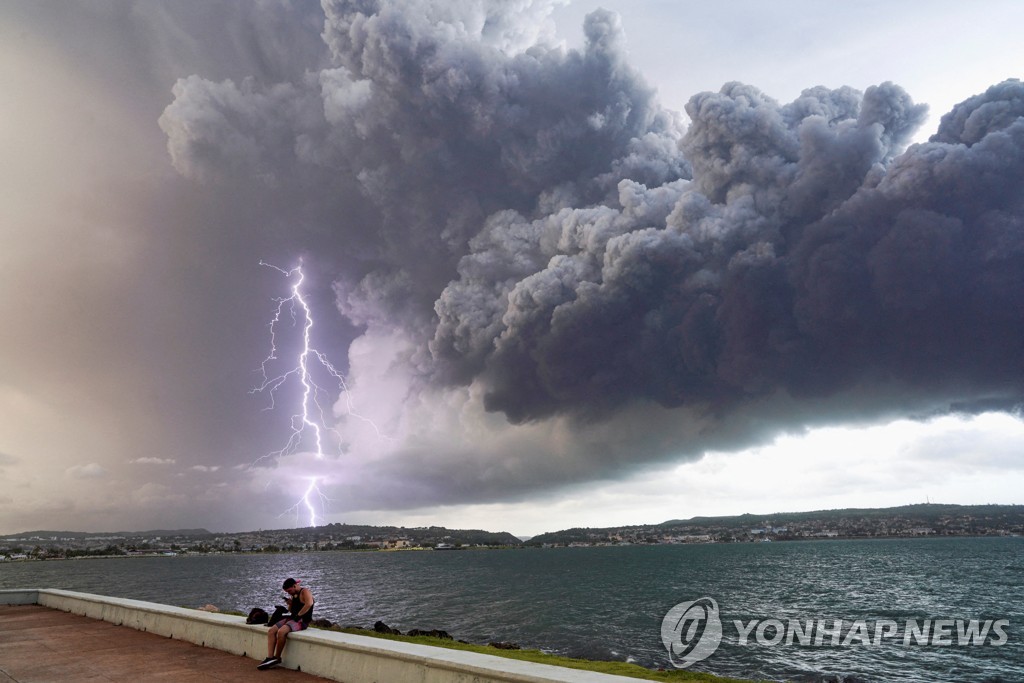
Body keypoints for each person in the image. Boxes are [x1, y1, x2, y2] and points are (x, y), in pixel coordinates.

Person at [257, 577, 315, 670]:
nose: (289, 593)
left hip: (301, 620)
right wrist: (290, 604)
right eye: (287, 592)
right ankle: (270, 657)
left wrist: (299, 615)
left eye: (289, 590)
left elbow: (309, 603)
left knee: (281, 632)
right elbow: (291, 611)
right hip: (292, 618)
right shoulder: (294, 595)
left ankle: (277, 657)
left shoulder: (305, 592)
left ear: (295, 585)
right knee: (271, 631)